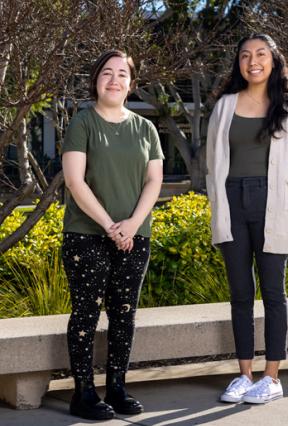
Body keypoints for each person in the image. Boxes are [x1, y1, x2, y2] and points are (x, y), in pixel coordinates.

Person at [206, 34, 288, 404]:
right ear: (238, 63)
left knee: (273, 293)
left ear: (274, 60)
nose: (253, 61)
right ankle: (244, 375)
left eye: (261, 54)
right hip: (232, 201)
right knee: (240, 293)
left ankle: (272, 377)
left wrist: (285, 194)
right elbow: (213, 160)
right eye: (245, 55)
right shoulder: (225, 105)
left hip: (272, 201)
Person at [61, 50, 164, 420]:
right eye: (107, 73)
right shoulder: (83, 123)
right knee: (86, 314)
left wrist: (133, 223)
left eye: (122, 74)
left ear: (131, 84)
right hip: (87, 235)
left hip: (135, 236)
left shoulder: (146, 128)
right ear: (96, 80)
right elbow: (75, 181)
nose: (114, 80)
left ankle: (117, 387)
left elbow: (154, 180)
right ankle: (83, 393)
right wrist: (109, 226)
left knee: (124, 314)